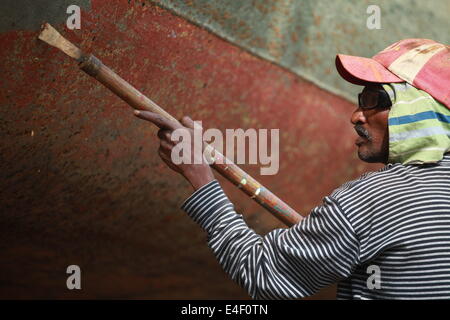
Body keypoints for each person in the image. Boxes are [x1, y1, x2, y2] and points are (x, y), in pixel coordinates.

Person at [134, 39, 450, 299]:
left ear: (418, 109)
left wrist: (199, 175)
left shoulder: (374, 199)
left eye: (373, 99)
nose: (356, 116)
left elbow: (263, 273)